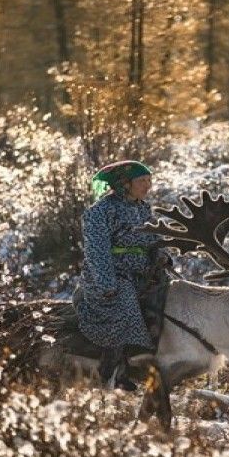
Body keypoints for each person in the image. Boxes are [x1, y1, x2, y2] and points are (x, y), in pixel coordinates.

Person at [75, 159, 163, 391]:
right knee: (125, 305)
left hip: (143, 275)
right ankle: (114, 371)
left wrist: (162, 256)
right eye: (142, 180)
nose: (148, 186)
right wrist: (107, 283)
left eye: (149, 180)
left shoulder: (144, 209)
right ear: (125, 184)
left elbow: (154, 238)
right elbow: (97, 251)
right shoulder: (99, 212)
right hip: (111, 278)